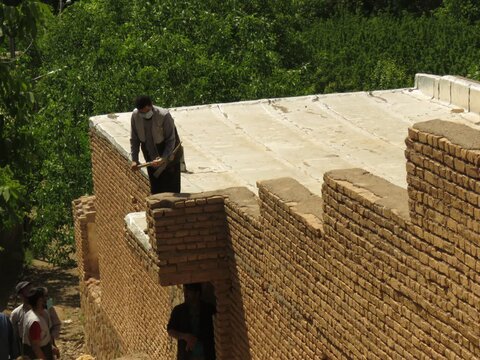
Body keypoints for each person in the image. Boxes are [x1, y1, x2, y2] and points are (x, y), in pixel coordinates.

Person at [130, 95, 184, 194]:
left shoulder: (164, 115)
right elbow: (134, 139)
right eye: (142, 112)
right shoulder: (135, 116)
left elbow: (171, 139)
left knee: (171, 190)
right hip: (150, 155)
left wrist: (164, 157)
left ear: (151, 106)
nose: (144, 114)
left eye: (146, 111)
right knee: (156, 189)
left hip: (168, 153)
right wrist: (134, 159)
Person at [167, 283, 216, 360]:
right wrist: (185, 336)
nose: (185, 295)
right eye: (185, 292)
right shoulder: (179, 310)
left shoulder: (208, 310)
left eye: (189, 292)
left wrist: (197, 338)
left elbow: (214, 331)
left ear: (197, 294)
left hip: (207, 355)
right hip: (186, 356)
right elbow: (170, 330)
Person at [22, 287, 59, 360]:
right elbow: (36, 347)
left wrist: (51, 346)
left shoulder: (41, 314)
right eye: (45, 297)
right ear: (40, 300)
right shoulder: (35, 321)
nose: (48, 300)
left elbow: (43, 337)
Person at [10, 280, 33, 354]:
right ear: (20, 295)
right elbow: (13, 335)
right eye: (26, 290)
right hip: (26, 348)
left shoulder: (43, 307)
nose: (29, 292)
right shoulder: (15, 313)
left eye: (30, 289)